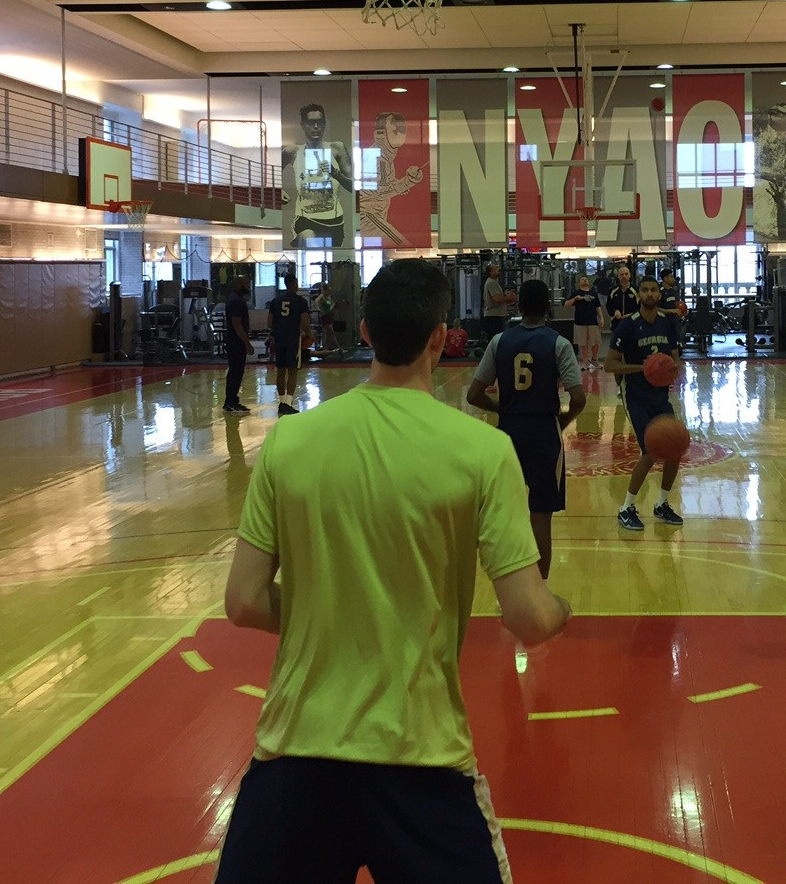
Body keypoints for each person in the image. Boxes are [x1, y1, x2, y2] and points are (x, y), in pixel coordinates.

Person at [218, 259, 569, 882]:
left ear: (366, 331)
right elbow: (531, 618)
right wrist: (562, 608)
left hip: (294, 760)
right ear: (441, 338)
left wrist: (327, 616)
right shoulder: (484, 451)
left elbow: (243, 601)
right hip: (421, 762)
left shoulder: (289, 442)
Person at [467, 279, 586, 580]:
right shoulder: (559, 343)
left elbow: (474, 395)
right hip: (544, 431)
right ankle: (539, 589)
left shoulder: (499, 341)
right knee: (541, 513)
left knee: (507, 513)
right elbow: (578, 399)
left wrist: (504, 410)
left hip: (509, 432)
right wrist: (563, 420)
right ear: (548, 306)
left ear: (518, 306)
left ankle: (508, 586)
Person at [605, 276, 686, 531]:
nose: (649, 294)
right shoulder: (627, 326)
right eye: (645, 290)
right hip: (636, 397)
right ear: (639, 294)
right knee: (650, 453)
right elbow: (609, 364)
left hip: (660, 396)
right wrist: (643, 368)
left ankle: (661, 503)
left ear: (659, 295)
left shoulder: (667, 324)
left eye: (653, 290)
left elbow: (674, 359)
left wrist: (668, 370)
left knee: (674, 450)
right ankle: (626, 507)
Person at [281, 103, 353, 249]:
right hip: (305, 219)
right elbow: (267, 173)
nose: (315, 127)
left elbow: (353, 186)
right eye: (310, 123)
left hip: (334, 220)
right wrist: (277, 190)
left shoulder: (337, 149)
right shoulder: (292, 151)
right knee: (311, 244)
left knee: (332, 261)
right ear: (302, 125)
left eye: (319, 122)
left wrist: (335, 174)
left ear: (325, 124)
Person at [356, 111, 425, 244]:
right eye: (396, 130)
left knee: (381, 250)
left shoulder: (382, 156)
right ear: (381, 133)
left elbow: (384, 186)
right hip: (370, 218)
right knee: (404, 246)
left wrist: (398, 186)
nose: (401, 134)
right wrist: (407, 181)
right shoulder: (379, 158)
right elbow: (381, 192)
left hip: (376, 216)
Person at [268, 273, 311, 415]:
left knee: (280, 371)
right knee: (292, 371)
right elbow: (305, 322)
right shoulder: (300, 301)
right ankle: (287, 403)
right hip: (293, 338)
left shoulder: (275, 301)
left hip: (279, 338)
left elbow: (269, 323)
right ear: (293, 283)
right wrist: (310, 335)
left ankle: (281, 402)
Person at [224, 280, 253, 415]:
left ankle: (232, 400)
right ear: (237, 285)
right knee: (235, 371)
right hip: (236, 341)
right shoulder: (236, 301)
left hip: (235, 340)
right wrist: (247, 343)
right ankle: (230, 402)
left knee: (236, 371)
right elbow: (237, 324)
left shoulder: (236, 299)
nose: (247, 286)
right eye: (245, 284)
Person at [566, 276, 602, 370]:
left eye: (586, 279)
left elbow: (598, 307)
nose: (585, 280)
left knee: (595, 342)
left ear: (589, 283)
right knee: (583, 343)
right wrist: (574, 299)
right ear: (579, 283)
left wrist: (601, 318)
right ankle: (585, 362)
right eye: (582, 279)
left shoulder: (594, 293)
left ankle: (594, 359)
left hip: (593, 322)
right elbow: (566, 305)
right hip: (580, 322)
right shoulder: (576, 293)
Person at [481, 263, 513, 344]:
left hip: (495, 315)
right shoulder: (492, 283)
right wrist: (508, 297)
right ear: (491, 272)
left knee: (495, 340)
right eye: (495, 269)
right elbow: (497, 299)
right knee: (496, 340)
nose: (498, 270)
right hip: (494, 316)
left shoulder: (493, 282)